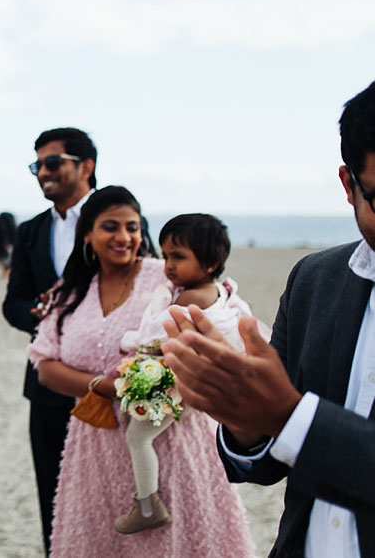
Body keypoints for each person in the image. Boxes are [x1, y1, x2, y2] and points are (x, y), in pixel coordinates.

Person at [162, 80, 375, 558]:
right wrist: (242, 417)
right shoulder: (316, 279)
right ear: (348, 185)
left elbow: (294, 420)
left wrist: (288, 415)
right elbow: (264, 463)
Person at [26, 186, 255, 557]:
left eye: (132, 227)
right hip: (93, 444)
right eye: (110, 227)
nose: (124, 237)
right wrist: (103, 386)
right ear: (88, 233)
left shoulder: (167, 279)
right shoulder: (68, 293)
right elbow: (46, 367)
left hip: (172, 436)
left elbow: (221, 312)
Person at [2, 127, 154, 552]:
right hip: (50, 390)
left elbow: (153, 293)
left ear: (86, 166)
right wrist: (44, 315)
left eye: (52, 163)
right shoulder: (31, 231)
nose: (42, 173)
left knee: (126, 496)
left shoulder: (123, 219)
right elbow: (12, 303)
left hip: (122, 388)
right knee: (55, 502)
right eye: (37, 166)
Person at [113, 214, 257, 535]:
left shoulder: (191, 298)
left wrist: (129, 342)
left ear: (210, 263)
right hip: (200, 377)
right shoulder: (222, 291)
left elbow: (154, 336)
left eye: (178, 257)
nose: (169, 266)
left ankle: (147, 505)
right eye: (165, 256)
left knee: (138, 437)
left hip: (184, 382)